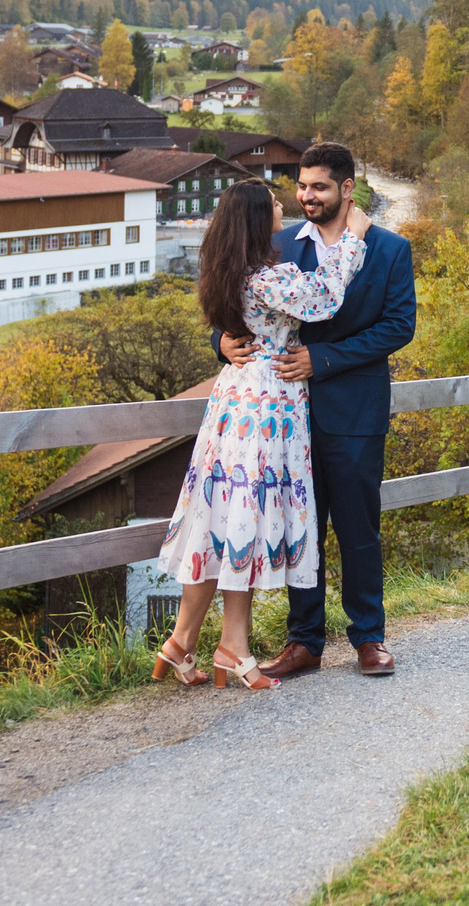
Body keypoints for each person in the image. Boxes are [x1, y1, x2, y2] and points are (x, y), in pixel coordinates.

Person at [150, 178, 370, 688]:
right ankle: (230, 647)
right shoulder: (268, 277)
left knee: (221, 516)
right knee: (243, 516)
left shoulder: (228, 270)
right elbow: (324, 299)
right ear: (255, 218)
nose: (282, 205)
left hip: (233, 402)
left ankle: (188, 641)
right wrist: (352, 237)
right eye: (272, 202)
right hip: (266, 405)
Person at [218, 140, 415, 679]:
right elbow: (242, 299)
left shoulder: (391, 250)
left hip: (354, 412)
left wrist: (322, 359)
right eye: (301, 186)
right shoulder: (278, 244)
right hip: (283, 420)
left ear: (347, 189)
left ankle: (368, 638)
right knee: (296, 529)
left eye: (319, 187)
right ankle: (304, 640)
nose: (306, 196)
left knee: (357, 529)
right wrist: (222, 342)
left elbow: (399, 327)